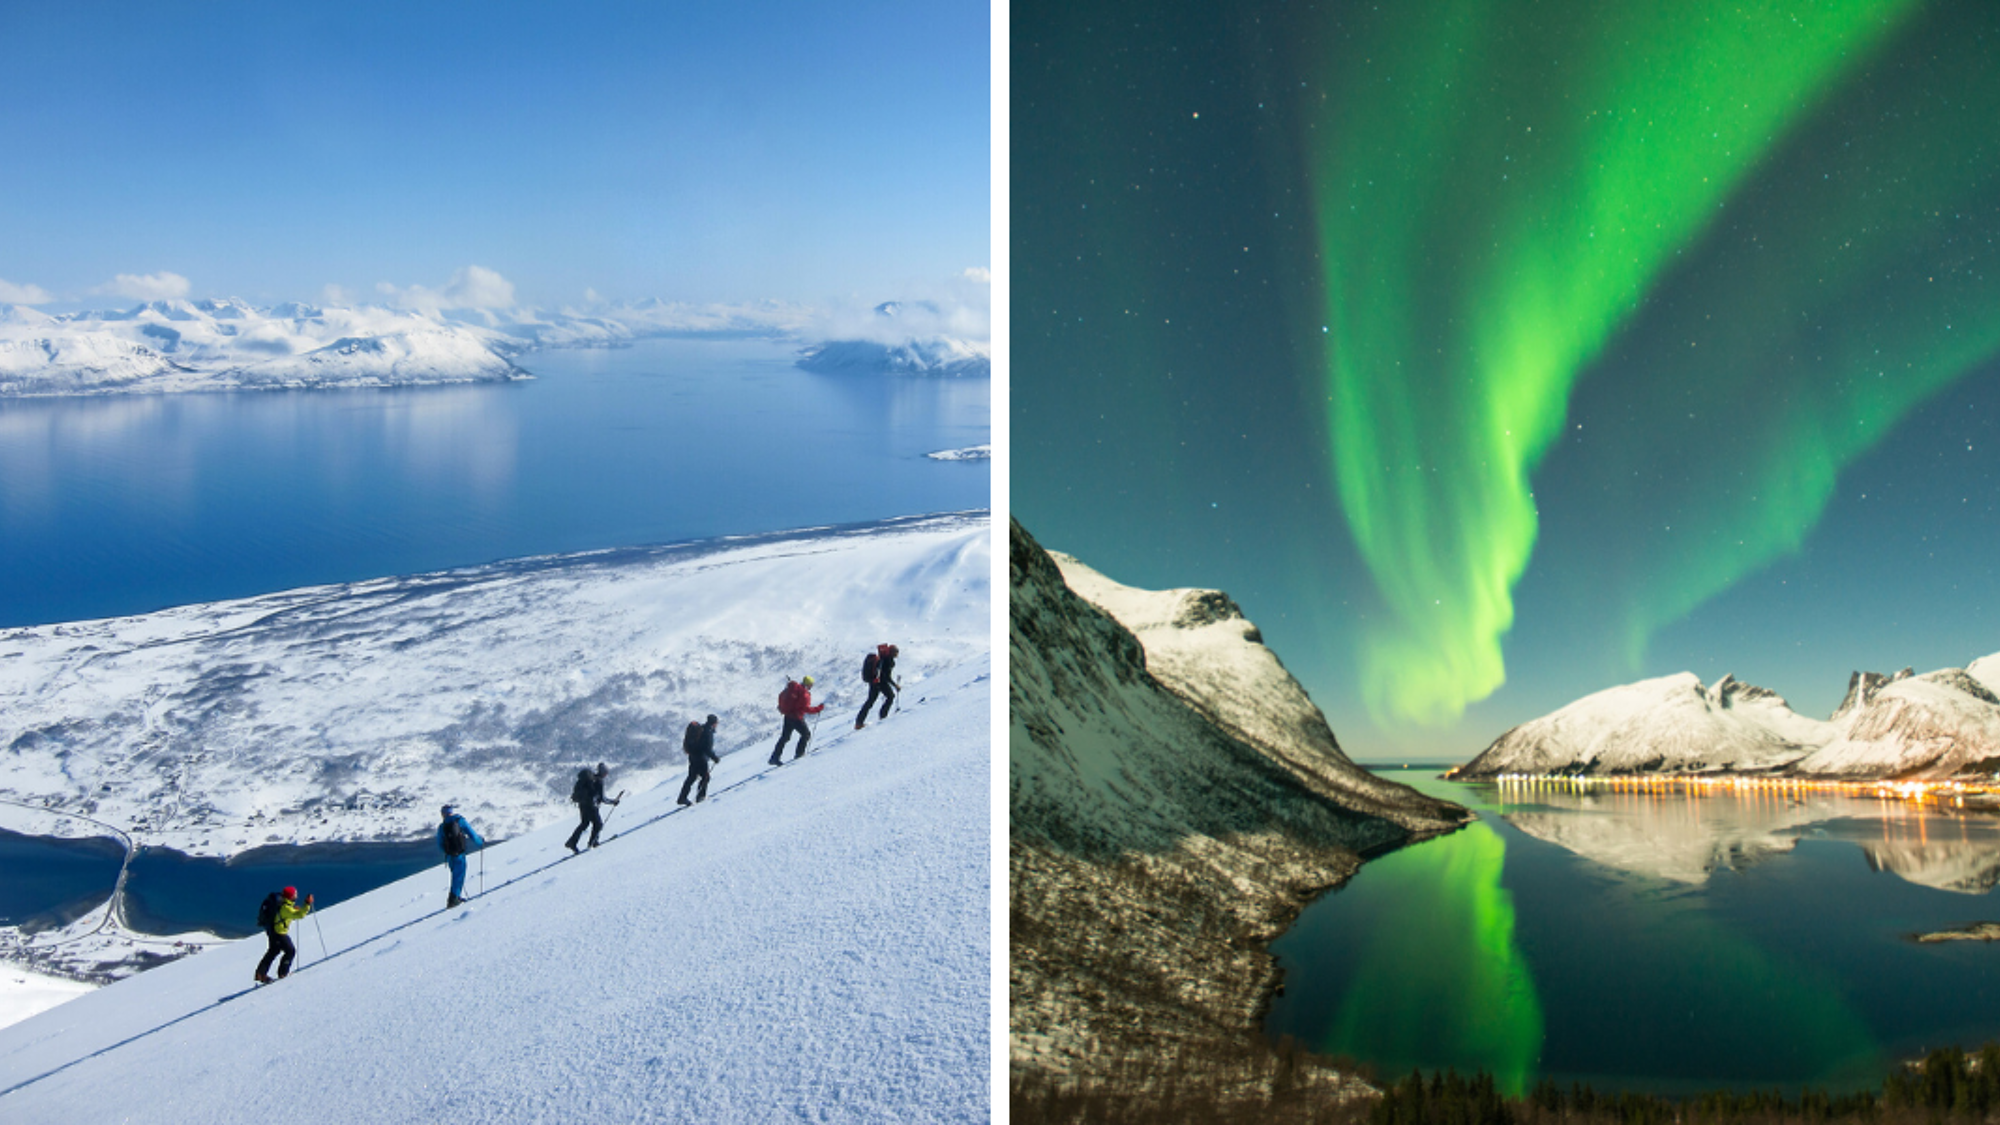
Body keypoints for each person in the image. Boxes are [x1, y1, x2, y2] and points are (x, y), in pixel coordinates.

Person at [255, 885, 314, 984]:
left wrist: (294, 909)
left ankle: (261, 973)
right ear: (291, 896)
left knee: (273, 951)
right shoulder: (286, 908)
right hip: (279, 933)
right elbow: (300, 915)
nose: (296, 895)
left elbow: (290, 913)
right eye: (295, 894)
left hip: (273, 932)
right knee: (290, 951)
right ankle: (283, 973)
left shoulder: (283, 905)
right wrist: (307, 904)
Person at [437, 804, 485, 907]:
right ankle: (454, 899)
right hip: (459, 854)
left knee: (455, 875)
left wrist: (447, 852)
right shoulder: (459, 820)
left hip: (450, 856)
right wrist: (480, 842)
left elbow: (440, 844)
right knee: (459, 875)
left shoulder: (442, 827)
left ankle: (455, 897)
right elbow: (471, 834)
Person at [769, 675, 824, 765]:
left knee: (785, 737)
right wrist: (818, 709)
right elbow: (806, 709)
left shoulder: (794, 689)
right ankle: (799, 754)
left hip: (787, 716)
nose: (812, 686)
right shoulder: (804, 694)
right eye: (811, 684)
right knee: (806, 734)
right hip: (796, 718)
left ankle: (774, 757)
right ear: (808, 684)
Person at [565, 762, 619, 853]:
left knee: (584, 823)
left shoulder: (591, 779)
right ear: (603, 773)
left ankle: (572, 842)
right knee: (598, 824)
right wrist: (613, 802)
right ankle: (593, 842)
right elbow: (602, 798)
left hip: (582, 804)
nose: (606, 775)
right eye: (606, 773)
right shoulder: (599, 781)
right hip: (591, 806)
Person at [854, 643, 899, 730]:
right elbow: (887, 677)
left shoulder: (882, 659)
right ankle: (883, 716)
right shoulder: (888, 661)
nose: (897, 654)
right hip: (880, 682)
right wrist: (895, 685)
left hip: (874, 682)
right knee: (890, 696)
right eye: (896, 652)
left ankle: (859, 722)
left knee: (870, 701)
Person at [679, 714, 721, 805]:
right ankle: (701, 796)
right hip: (701, 758)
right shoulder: (708, 732)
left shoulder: (702, 729)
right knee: (705, 777)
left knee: (691, 777)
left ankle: (682, 797)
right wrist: (714, 758)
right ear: (713, 723)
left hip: (693, 756)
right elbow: (706, 748)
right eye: (716, 723)